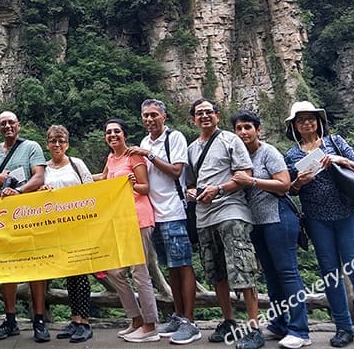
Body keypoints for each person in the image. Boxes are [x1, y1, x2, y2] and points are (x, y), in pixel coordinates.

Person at [284, 101, 354, 349]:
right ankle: (343, 328)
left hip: (347, 216)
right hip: (317, 221)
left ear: (319, 121)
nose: (307, 122)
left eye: (311, 118)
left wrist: (340, 160)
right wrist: (299, 182)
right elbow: (290, 191)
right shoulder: (292, 155)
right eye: (301, 119)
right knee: (330, 275)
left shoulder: (336, 142)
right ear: (294, 125)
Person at [185, 99, 261, 349]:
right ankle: (229, 320)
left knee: (242, 267)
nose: (205, 116)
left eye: (209, 112)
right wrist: (192, 192)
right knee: (216, 271)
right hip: (204, 216)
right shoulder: (192, 148)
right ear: (193, 119)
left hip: (231, 211)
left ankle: (254, 327)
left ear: (217, 115)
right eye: (199, 113)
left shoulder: (230, 139)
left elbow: (245, 175)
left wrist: (218, 189)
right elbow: (191, 183)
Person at [230, 110, 310, 349]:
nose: (244, 132)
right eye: (239, 128)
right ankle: (279, 323)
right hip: (257, 223)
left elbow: (284, 185)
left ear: (258, 130)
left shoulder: (268, 152)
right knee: (271, 276)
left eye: (248, 127)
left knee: (287, 273)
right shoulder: (238, 156)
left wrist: (251, 181)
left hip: (278, 218)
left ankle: (300, 330)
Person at [126, 99, 200, 344]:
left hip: (174, 212)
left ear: (164, 117)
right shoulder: (146, 141)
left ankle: (190, 321)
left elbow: (176, 171)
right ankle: (179, 316)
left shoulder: (174, 138)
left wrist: (149, 154)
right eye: (145, 115)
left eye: (154, 115)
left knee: (183, 265)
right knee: (170, 267)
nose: (149, 119)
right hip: (154, 214)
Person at [0, 111, 49, 343]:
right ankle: (10, 320)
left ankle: (39, 320)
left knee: (35, 268)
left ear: (18, 125)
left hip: (30, 215)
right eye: (3, 123)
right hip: (5, 218)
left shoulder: (31, 147)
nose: (7, 126)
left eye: (11, 122)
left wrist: (18, 191)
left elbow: (39, 177)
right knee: (7, 270)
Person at [98, 118, 160, 344]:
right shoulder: (111, 158)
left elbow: (145, 188)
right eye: (108, 132)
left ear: (124, 134)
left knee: (139, 271)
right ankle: (135, 319)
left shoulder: (134, 156)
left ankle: (150, 325)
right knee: (115, 271)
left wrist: (133, 183)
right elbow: (103, 180)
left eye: (116, 131)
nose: (112, 135)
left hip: (138, 217)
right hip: (119, 220)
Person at [39, 125, 94, 344]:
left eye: (61, 141)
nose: (57, 145)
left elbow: (90, 189)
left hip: (78, 227)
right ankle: (74, 319)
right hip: (56, 229)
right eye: (53, 141)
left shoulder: (76, 164)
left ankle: (85, 322)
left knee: (80, 275)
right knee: (69, 275)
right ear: (47, 144)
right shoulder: (45, 169)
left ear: (67, 143)